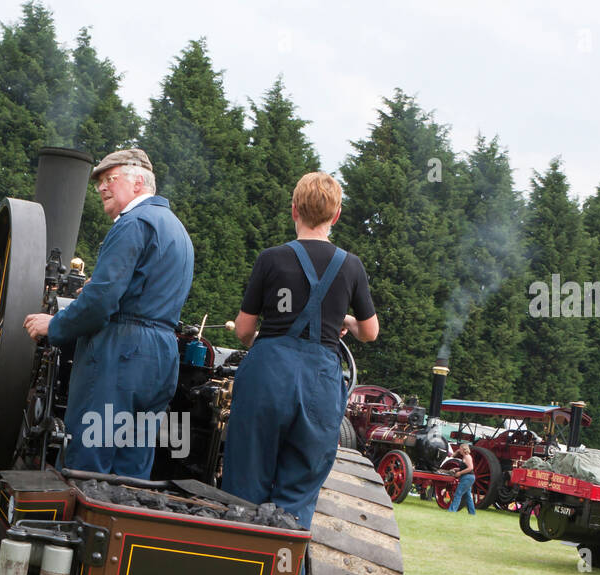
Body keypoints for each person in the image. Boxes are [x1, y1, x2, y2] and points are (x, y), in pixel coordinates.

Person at [220, 172, 378, 528]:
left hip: (267, 373)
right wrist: (348, 322)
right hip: (320, 381)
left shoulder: (270, 259)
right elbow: (370, 332)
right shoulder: (351, 266)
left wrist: (263, 345)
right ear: (336, 215)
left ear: (294, 210)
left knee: (244, 488)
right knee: (298, 494)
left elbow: (244, 329)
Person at [23, 148, 194, 478]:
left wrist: (55, 325)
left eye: (109, 179)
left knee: (88, 464)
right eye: (99, 181)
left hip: (120, 354)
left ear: (138, 182)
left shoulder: (132, 224)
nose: (101, 187)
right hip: (162, 357)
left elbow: (102, 301)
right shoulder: (179, 233)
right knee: (132, 472)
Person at [447, 444, 476, 515]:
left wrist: (459, 473)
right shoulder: (465, 457)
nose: (459, 450)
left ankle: (452, 510)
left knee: (458, 494)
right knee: (468, 496)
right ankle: (472, 513)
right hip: (468, 477)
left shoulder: (467, 457)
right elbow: (465, 467)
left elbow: (470, 468)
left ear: (463, 449)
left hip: (467, 477)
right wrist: (456, 469)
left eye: (460, 448)